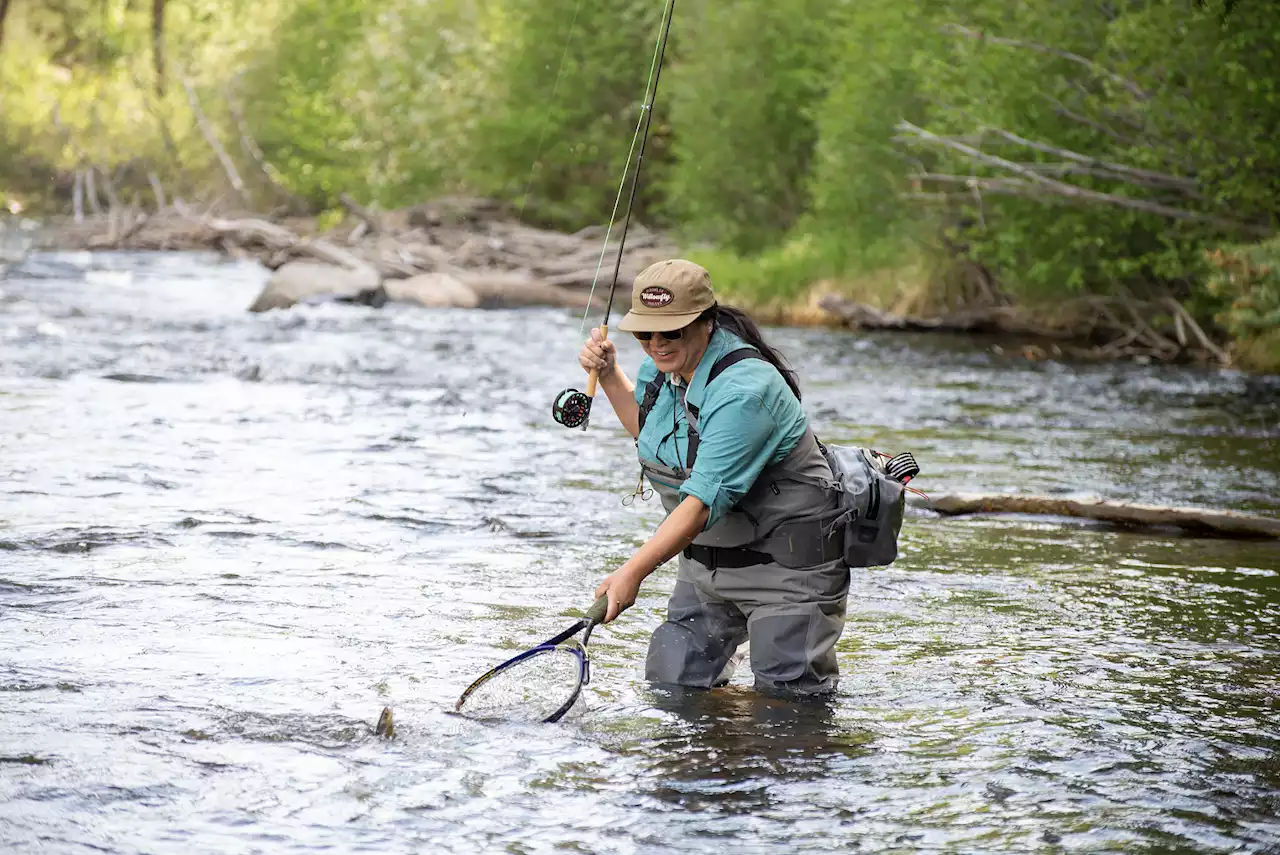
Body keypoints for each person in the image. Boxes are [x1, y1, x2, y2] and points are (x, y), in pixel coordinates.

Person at [578, 258, 849, 697]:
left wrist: (632, 573)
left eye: (672, 331)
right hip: (706, 567)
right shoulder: (662, 371)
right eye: (645, 333)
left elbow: (700, 503)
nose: (656, 344)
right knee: (672, 685)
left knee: (789, 709)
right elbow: (652, 434)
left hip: (787, 572)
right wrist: (609, 375)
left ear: (707, 322)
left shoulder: (745, 391)